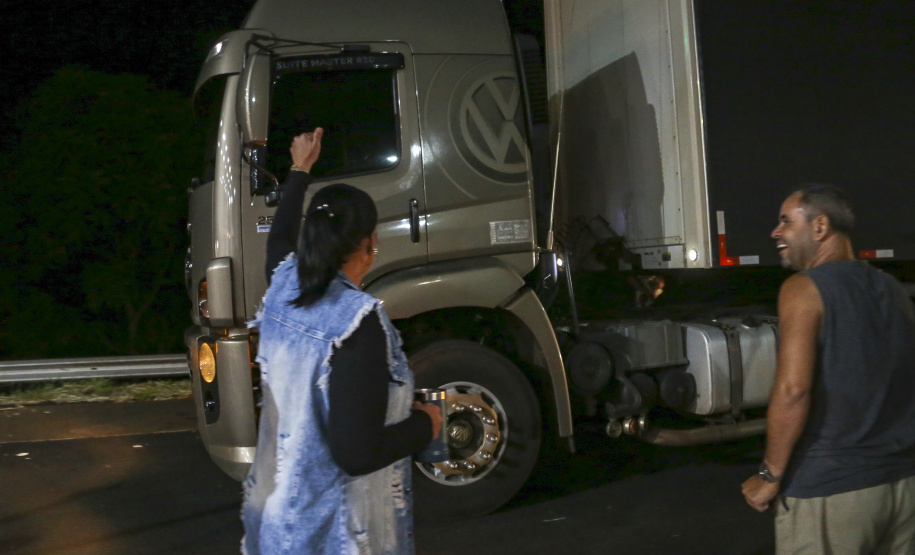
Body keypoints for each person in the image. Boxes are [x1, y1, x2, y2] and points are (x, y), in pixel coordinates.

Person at [241, 128, 443, 554]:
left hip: (274, 520)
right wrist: (428, 423)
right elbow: (356, 453)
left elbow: (277, 240)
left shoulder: (283, 285)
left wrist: (299, 170)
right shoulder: (357, 322)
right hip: (332, 536)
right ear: (371, 244)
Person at [741, 185, 915, 553]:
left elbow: (793, 391)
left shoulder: (803, 288)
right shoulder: (894, 289)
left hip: (833, 491)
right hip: (902, 486)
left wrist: (769, 476)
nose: (776, 232)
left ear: (820, 227)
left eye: (786, 221)